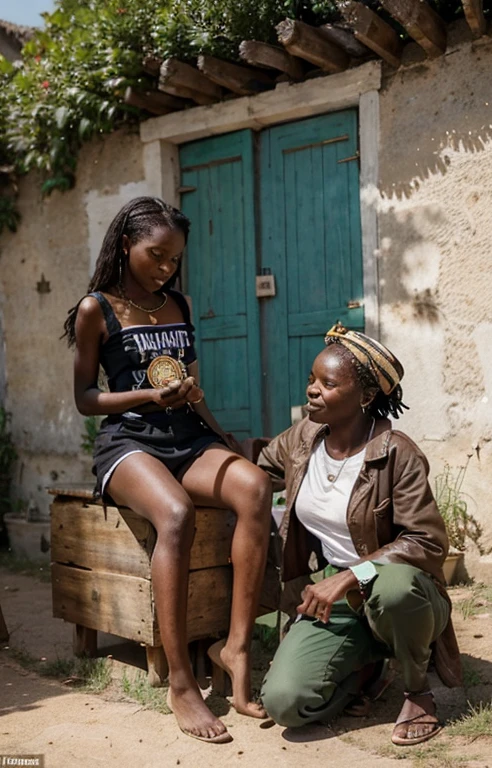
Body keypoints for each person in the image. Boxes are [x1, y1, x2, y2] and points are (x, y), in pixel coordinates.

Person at [63, 196, 272, 744]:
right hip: (128, 441)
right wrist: (147, 395)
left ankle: (235, 648)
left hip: (186, 435)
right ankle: (182, 682)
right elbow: (85, 397)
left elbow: (186, 379)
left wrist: (215, 425)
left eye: (174, 259)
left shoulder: (178, 303)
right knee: (175, 514)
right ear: (126, 245)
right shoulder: (97, 308)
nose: (165, 268)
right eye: (156, 255)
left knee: (254, 487)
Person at [257, 323, 462, 746]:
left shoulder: (397, 452)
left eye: (328, 384)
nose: (313, 390)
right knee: (284, 703)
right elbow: (256, 466)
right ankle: (367, 668)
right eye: (312, 380)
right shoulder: (303, 439)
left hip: (404, 589)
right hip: (340, 598)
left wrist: (351, 576)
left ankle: (418, 692)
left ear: (366, 396)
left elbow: (425, 541)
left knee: (392, 589)